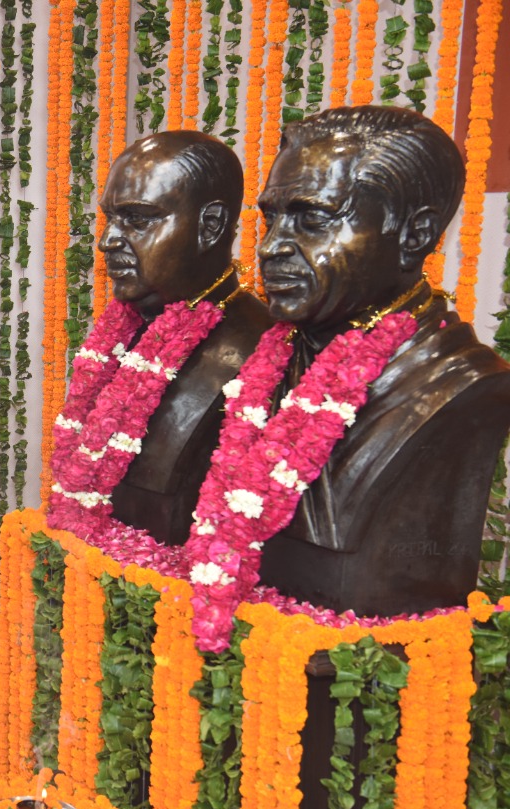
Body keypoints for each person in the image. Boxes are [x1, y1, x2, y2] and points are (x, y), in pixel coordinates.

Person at [254, 105, 510, 618]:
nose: (271, 247)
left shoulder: (460, 382)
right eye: (271, 218)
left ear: (414, 235)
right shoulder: (265, 360)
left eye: (313, 218)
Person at [49, 130, 272, 547]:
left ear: (210, 226)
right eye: (110, 219)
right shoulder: (127, 328)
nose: (107, 241)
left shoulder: (261, 347)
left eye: (137, 219)